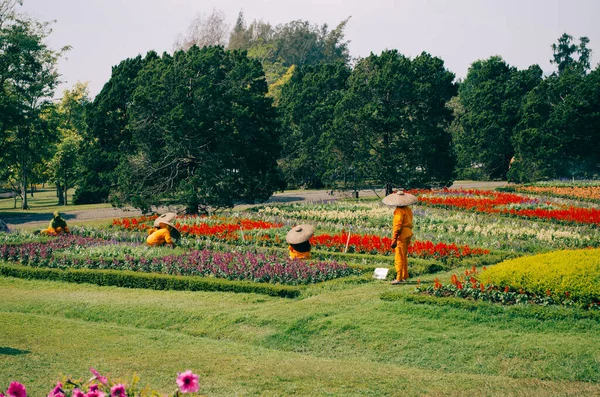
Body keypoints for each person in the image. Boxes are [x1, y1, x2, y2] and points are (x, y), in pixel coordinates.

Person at [382, 190, 417, 284]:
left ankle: (399, 278)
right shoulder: (408, 209)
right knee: (404, 255)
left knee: (399, 256)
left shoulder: (399, 211)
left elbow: (398, 227)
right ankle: (404, 276)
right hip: (408, 233)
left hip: (401, 235)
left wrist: (394, 240)